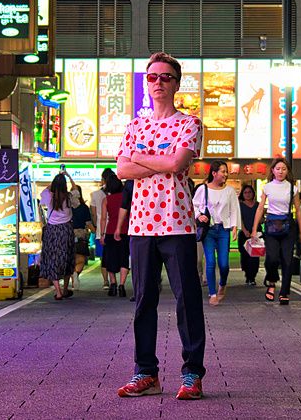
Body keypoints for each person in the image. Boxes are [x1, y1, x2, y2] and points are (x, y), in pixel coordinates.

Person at [116, 52, 205, 400]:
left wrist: (139, 156)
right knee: (143, 301)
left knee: (188, 301)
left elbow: (178, 161)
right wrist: (160, 161)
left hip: (178, 223)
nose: (158, 83)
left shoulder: (190, 123)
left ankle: (192, 374)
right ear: (145, 83)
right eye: (152, 77)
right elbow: (122, 170)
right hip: (140, 226)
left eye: (166, 77)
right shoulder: (135, 126)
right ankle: (145, 372)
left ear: (177, 83)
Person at [251, 157, 301, 305]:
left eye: (283, 169)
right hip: (270, 225)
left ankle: (284, 292)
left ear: (287, 171)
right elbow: (260, 208)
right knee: (272, 258)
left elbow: (298, 212)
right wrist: (254, 229)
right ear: (273, 171)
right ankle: (271, 281)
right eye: (278, 169)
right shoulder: (267, 187)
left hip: (288, 225)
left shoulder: (292, 188)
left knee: (287, 260)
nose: (280, 171)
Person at [193, 160, 241, 305]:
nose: (225, 174)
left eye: (226, 172)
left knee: (224, 264)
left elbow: (235, 209)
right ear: (214, 173)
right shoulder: (203, 189)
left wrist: (234, 227)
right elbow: (193, 205)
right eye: (223, 171)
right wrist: (198, 215)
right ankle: (212, 293)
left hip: (223, 230)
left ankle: (222, 285)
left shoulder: (230, 191)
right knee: (210, 262)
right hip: (209, 230)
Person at [39, 171, 76, 300]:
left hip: (52, 231)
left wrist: (53, 184)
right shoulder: (70, 197)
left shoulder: (49, 196)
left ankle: (58, 292)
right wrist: (68, 176)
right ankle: (65, 289)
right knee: (67, 259)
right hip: (66, 230)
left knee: (52, 259)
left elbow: (44, 192)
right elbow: (76, 191)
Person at [100, 171, 130, 297]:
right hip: (125, 231)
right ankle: (122, 286)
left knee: (110, 258)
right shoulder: (126, 197)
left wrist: (102, 234)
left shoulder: (106, 199)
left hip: (111, 231)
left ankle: (112, 284)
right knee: (124, 258)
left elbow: (103, 218)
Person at [90, 169, 112, 289]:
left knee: (104, 257)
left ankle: (106, 281)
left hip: (100, 230)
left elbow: (93, 214)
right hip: (114, 229)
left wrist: (95, 225)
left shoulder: (95, 195)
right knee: (115, 255)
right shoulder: (117, 194)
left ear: (102, 179)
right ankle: (115, 280)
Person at [70, 185, 94, 289]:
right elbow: (88, 223)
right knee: (81, 259)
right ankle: (76, 273)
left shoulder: (67, 207)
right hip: (81, 235)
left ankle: (72, 278)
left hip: (68, 235)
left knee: (70, 259)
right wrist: (96, 231)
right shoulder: (84, 208)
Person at [238, 183, 260, 286]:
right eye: (245, 192)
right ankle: (248, 275)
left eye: (249, 192)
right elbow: (239, 219)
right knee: (245, 256)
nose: (247, 194)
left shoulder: (258, 205)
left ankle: (252, 277)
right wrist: (244, 230)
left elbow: (261, 218)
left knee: (255, 256)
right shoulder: (240, 205)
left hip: (256, 234)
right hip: (244, 234)